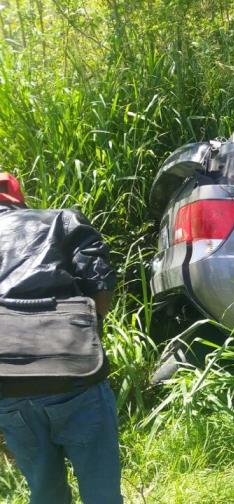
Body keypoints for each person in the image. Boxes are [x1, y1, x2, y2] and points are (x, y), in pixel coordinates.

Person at [0, 172, 122, 503]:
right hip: (74, 373)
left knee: (45, 491)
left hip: (7, 384)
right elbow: (99, 283)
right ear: (17, 197)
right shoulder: (61, 219)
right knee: (101, 491)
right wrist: (87, 333)